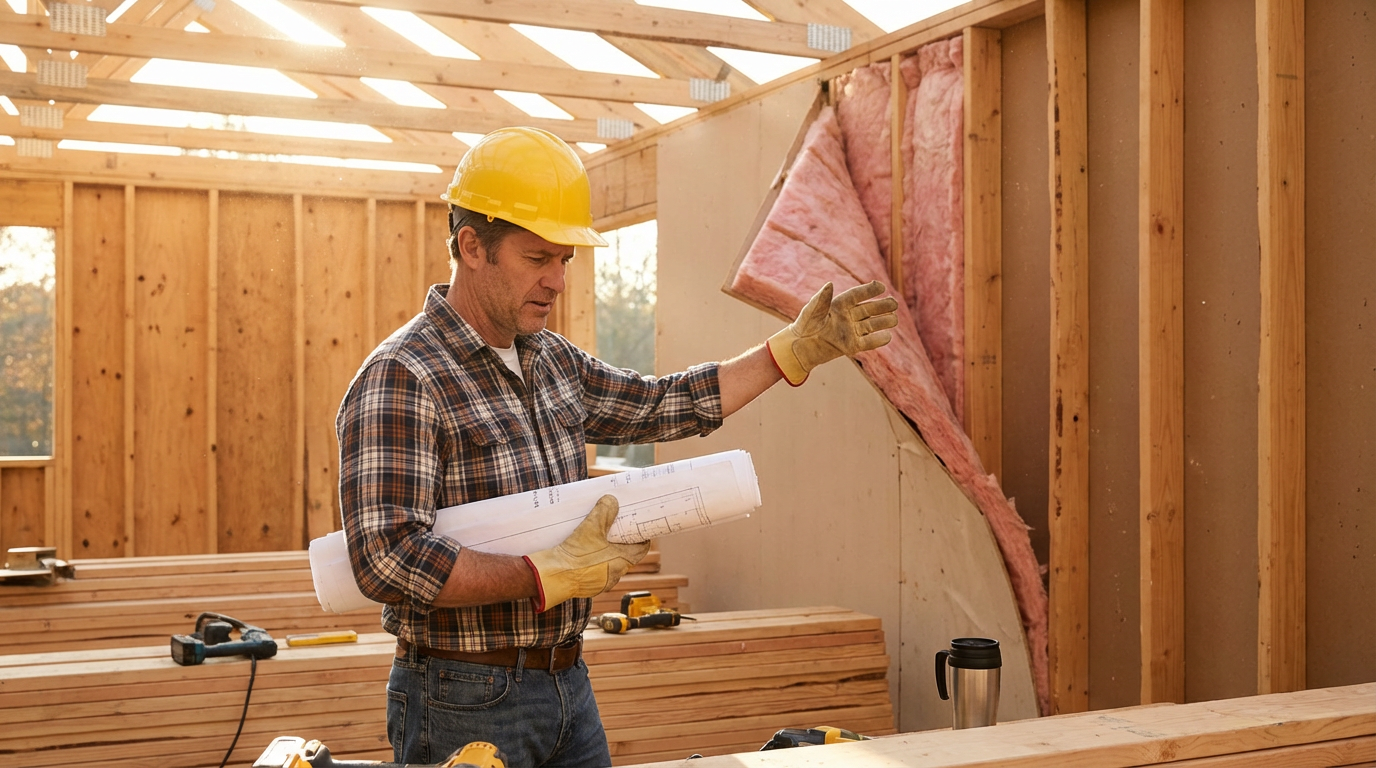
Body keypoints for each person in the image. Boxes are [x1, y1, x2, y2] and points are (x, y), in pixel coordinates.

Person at [336, 126, 899, 767]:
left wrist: (788, 353)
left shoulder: (550, 361)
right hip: (461, 693)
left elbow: (660, 404)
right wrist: (542, 574)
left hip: (567, 681)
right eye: (537, 258)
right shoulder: (404, 376)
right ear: (471, 246)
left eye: (565, 260)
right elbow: (387, 557)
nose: (557, 280)